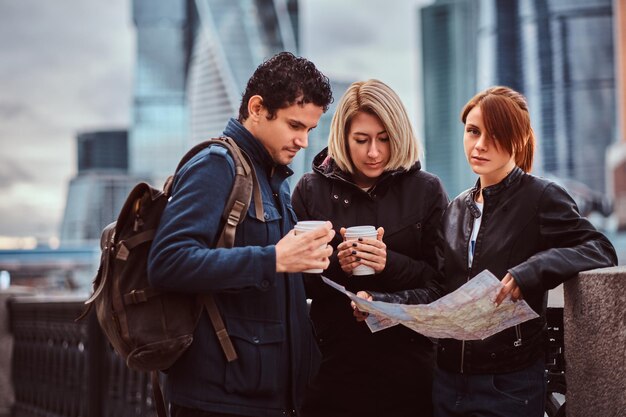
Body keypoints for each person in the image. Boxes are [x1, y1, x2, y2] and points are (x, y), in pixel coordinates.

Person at [355, 86, 617, 417]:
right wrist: (383, 305)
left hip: (510, 381)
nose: (479, 145)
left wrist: (532, 270)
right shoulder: (456, 208)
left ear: (518, 139)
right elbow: (440, 288)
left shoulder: (541, 197)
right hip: (448, 379)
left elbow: (599, 247)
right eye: (473, 131)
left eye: (494, 134)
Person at [147, 52, 335, 417]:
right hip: (220, 398)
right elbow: (168, 262)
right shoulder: (216, 165)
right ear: (257, 108)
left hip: (263, 396)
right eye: (295, 126)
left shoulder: (273, 178)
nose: (303, 142)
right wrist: (274, 259)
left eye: (310, 130)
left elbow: (272, 279)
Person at [291, 79, 448, 417]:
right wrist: (336, 263)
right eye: (361, 140)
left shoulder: (427, 191)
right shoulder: (310, 190)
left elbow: (441, 287)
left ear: (400, 134)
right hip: (332, 370)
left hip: (410, 372)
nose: (373, 152)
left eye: (384, 139)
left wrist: (387, 264)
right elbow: (294, 282)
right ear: (343, 139)